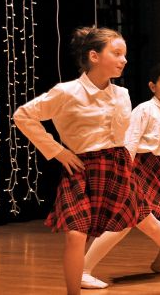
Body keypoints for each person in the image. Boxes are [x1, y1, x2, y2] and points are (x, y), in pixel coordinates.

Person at [13, 26, 136, 295]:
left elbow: (121, 135)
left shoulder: (122, 95)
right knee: (75, 234)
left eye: (124, 54)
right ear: (94, 55)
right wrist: (57, 151)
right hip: (81, 168)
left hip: (115, 166)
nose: (123, 59)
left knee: (135, 220)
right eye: (116, 53)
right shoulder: (66, 92)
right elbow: (23, 115)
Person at [80, 62, 160, 293]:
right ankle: (83, 269)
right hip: (137, 169)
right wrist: (123, 174)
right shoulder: (144, 110)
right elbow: (130, 142)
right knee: (125, 222)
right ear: (152, 86)